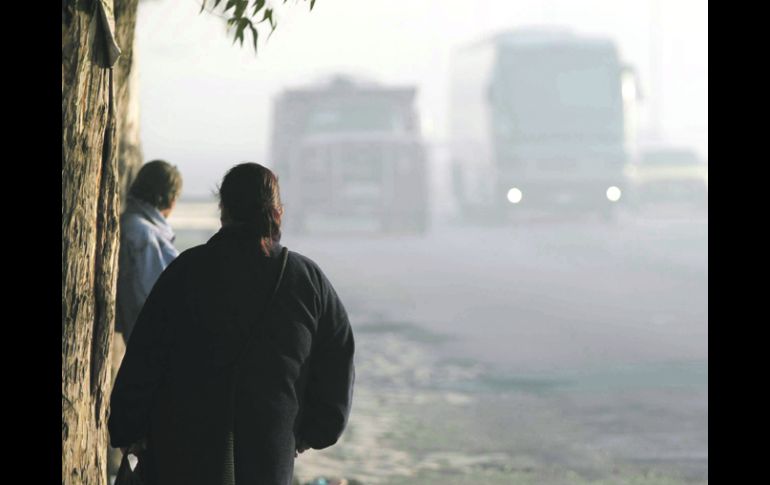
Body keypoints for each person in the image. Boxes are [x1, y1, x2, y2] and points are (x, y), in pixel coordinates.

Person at [108, 162, 355, 485]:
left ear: (224, 211)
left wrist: (128, 427)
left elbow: (145, 357)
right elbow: (338, 359)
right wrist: (309, 433)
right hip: (267, 457)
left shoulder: (186, 272)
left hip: (181, 454)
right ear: (277, 213)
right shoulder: (308, 282)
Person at [116, 159, 183, 344]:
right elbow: (155, 297)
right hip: (157, 345)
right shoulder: (143, 234)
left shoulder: (131, 224)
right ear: (171, 199)